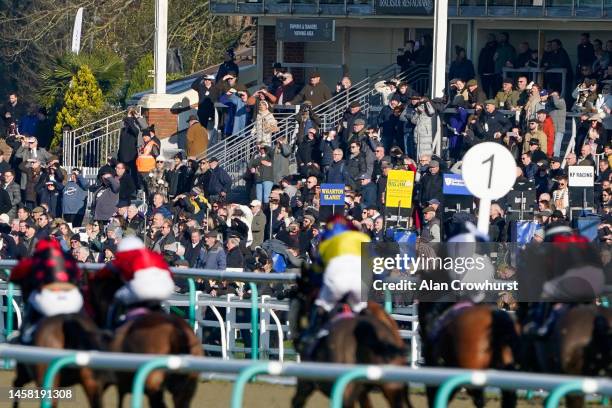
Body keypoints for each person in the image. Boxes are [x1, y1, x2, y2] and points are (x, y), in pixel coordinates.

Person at [9, 239, 84, 343]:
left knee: (32, 297)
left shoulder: (36, 258)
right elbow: (79, 275)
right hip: (74, 299)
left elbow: (14, 275)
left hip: (48, 300)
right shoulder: (68, 257)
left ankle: (24, 334)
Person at [94, 236, 175, 327]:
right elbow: (170, 274)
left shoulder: (123, 255)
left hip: (141, 289)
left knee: (116, 298)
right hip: (166, 287)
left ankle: (110, 330)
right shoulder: (154, 255)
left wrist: (94, 278)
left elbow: (104, 272)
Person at [117, 107, 141, 186]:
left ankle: (134, 189)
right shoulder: (124, 130)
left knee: (133, 174)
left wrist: (132, 117)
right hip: (123, 155)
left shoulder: (135, 129)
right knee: (123, 174)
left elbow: (134, 128)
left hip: (131, 156)